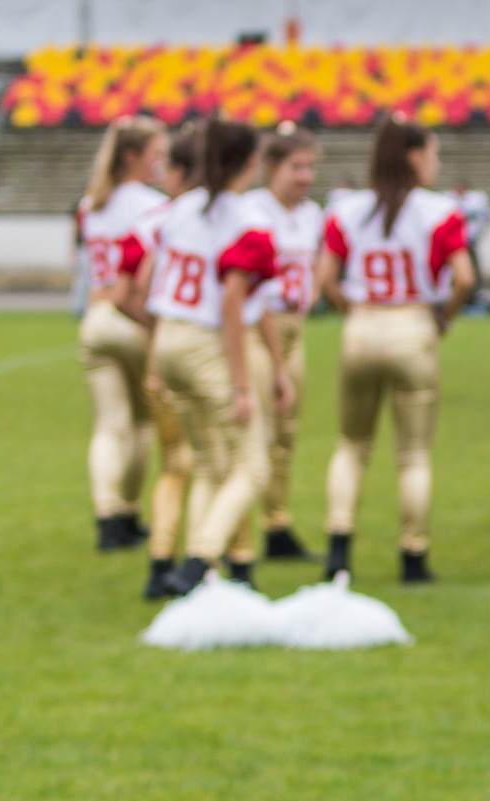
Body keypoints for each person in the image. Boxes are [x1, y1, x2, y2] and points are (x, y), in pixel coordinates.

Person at [317, 115, 475, 583]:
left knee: (351, 445)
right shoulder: (438, 210)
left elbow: (324, 279)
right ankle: (413, 554)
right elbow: (464, 277)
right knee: (413, 455)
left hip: (364, 324)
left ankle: (338, 548)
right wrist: (445, 315)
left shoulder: (348, 210)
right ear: (413, 156)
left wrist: (353, 309)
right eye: (431, 152)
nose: (436, 162)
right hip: (411, 324)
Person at [131, 117, 284, 596]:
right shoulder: (248, 220)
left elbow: (152, 281)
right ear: (252, 162)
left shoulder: (181, 208)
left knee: (210, 464)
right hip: (204, 340)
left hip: (169, 336)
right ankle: (199, 562)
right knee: (253, 466)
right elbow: (234, 306)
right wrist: (242, 385)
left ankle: (196, 570)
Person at [75, 115, 168, 551]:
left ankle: (105, 513)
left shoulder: (91, 203)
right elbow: (142, 277)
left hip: (94, 318)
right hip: (130, 317)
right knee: (142, 425)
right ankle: (128, 513)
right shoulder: (149, 203)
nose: (161, 166)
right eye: (155, 156)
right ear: (132, 157)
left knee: (108, 426)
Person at [120, 124, 201, 598]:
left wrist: (158, 329)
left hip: (164, 354)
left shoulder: (156, 220)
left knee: (175, 466)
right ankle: (218, 562)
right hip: (207, 355)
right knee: (219, 464)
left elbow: (130, 291)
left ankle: (160, 562)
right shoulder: (212, 218)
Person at [242, 122, 325, 562]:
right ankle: (243, 534)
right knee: (260, 430)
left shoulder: (310, 214)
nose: (305, 176)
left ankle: (277, 522)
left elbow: (318, 260)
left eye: (310, 167)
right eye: (296, 166)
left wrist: (314, 290)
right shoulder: (253, 210)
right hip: (260, 329)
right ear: (271, 166)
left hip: (295, 329)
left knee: (286, 433)